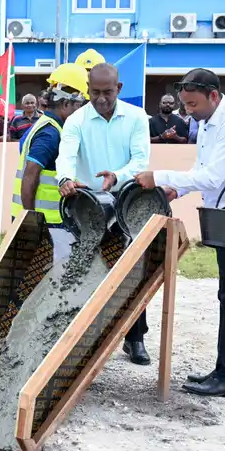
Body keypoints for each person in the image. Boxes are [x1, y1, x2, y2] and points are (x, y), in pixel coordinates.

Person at [135, 69, 225, 397]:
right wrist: (176, 190)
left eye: (193, 104)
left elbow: (212, 178)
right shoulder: (208, 121)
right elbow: (202, 170)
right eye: (185, 105)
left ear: (213, 96)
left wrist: (159, 176)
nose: (188, 111)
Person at [56, 63, 153, 365]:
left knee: (133, 270)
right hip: (89, 206)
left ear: (118, 89)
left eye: (107, 92)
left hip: (127, 201)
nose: (100, 98)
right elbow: (66, 155)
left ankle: (135, 338)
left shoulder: (136, 117)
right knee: (87, 268)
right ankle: (83, 339)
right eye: (94, 92)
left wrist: (117, 175)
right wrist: (65, 179)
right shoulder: (76, 120)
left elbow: (141, 160)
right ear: (87, 89)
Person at [11, 64, 89, 278]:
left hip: (48, 221)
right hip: (45, 222)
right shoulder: (50, 133)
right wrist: (31, 221)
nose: (81, 111)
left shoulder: (49, 126)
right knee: (46, 281)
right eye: (79, 105)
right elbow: (30, 174)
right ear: (65, 103)